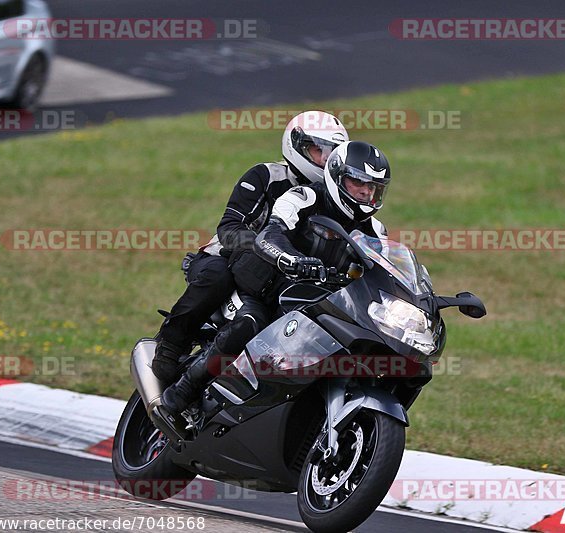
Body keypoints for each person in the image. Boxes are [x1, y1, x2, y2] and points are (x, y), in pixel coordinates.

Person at [161, 140, 392, 414]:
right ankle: (183, 391)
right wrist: (291, 259)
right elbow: (271, 233)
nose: (366, 192)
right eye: (359, 183)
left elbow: (384, 271)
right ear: (338, 177)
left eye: (373, 188)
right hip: (263, 290)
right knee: (251, 325)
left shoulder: (376, 230)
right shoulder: (303, 197)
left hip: (312, 306)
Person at [152, 111, 349, 383]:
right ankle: (171, 342)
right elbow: (229, 228)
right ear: (297, 147)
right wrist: (265, 248)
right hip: (227, 258)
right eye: (319, 151)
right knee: (216, 276)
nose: (326, 160)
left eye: (332, 154)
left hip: (281, 279)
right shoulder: (266, 175)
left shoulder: (334, 198)